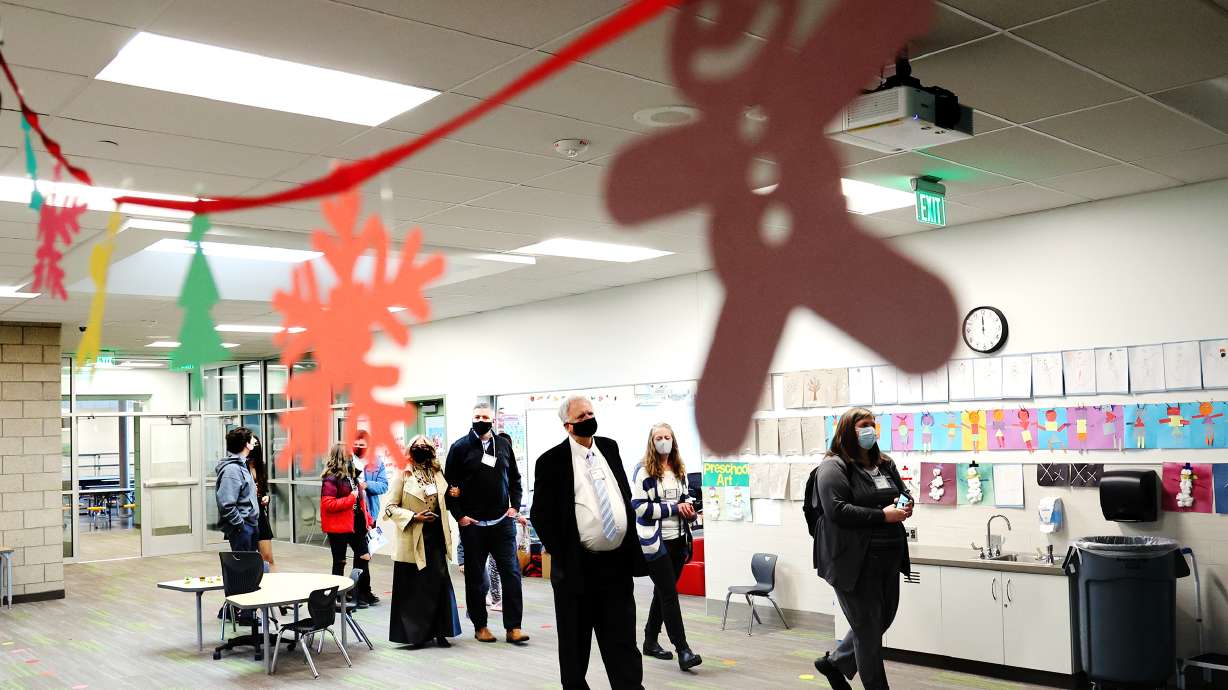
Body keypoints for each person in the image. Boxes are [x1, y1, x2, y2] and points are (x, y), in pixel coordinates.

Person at [532, 395, 644, 690]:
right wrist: (565, 552)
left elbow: (622, 494)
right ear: (568, 425)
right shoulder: (551, 461)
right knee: (575, 644)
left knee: (622, 640)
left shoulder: (609, 447)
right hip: (577, 569)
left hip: (616, 566)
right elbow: (540, 516)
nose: (588, 419)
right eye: (581, 416)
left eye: (591, 413)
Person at [805, 408, 913, 690]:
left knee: (881, 620)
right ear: (846, 430)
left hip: (887, 556)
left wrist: (905, 504)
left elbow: (902, 492)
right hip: (852, 560)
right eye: (864, 425)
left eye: (873, 425)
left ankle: (835, 663)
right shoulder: (833, 466)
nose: (871, 430)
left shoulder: (884, 463)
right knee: (868, 633)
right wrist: (882, 516)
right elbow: (836, 510)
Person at [443, 402, 528, 645]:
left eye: (486, 417)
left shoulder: (502, 446)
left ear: (493, 421)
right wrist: (459, 516)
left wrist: (515, 506)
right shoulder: (460, 448)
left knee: (511, 574)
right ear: (472, 418)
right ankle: (480, 626)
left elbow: (515, 479)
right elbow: (450, 486)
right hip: (473, 526)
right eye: (478, 416)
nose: (482, 420)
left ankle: (514, 627)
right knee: (476, 578)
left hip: (502, 523)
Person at [630, 423, 702, 671]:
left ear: (673, 440)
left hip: (679, 541)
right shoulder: (643, 471)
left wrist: (689, 510)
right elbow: (639, 507)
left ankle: (650, 640)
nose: (663, 441)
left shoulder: (679, 468)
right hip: (655, 543)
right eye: (659, 437)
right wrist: (673, 509)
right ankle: (683, 649)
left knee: (662, 592)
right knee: (670, 595)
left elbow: (686, 498)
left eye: (667, 437)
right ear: (651, 442)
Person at [384, 435, 462, 648]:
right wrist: (414, 517)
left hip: (435, 536)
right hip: (412, 536)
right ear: (410, 450)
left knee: (438, 584)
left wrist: (455, 493)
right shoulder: (403, 473)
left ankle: (441, 631)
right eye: (417, 446)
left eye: (425, 446)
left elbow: (447, 497)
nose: (421, 449)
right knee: (413, 588)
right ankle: (415, 635)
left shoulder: (437, 472)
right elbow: (389, 508)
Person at [321, 442, 375, 608]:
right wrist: (350, 498)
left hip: (356, 522)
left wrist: (368, 519)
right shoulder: (331, 478)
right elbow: (328, 504)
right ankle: (335, 597)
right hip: (339, 526)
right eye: (348, 454)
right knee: (340, 562)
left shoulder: (352, 476)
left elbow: (360, 501)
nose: (351, 456)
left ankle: (357, 594)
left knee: (364, 556)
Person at [353, 430, 386, 605]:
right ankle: (358, 592)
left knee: (367, 553)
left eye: (362, 445)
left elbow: (383, 486)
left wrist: (367, 485)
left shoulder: (376, 462)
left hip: (369, 514)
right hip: (351, 513)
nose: (358, 447)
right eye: (356, 444)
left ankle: (363, 591)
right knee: (361, 553)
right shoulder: (347, 461)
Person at [215, 426, 260, 552]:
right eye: (252, 439)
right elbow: (226, 504)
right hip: (242, 527)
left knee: (251, 566)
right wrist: (240, 525)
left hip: (250, 524)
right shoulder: (232, 470)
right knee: (244, 568)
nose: (254, 441)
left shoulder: (242, 465)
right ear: (246, 444)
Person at [245, 436, 276, 571]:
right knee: (248, 559)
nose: (255, 447)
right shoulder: (240, 467)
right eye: (252, 443)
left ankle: (272, 585)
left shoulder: (261, 467)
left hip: (260, 515)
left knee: (268, 557)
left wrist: (266, 498)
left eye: (256, 444)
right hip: (246, 514)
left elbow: (265, 490)